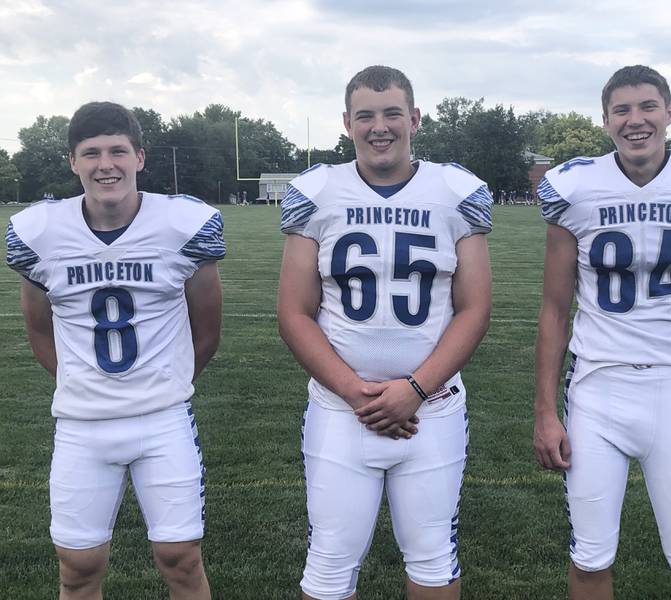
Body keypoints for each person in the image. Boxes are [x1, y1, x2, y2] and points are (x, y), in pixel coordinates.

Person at [533, 65, 671, 600]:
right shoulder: (576, 187)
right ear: (606, 120)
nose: (636, 120)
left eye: (648, 107)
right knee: (589, 559)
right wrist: (545, 411)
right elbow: (553, 310)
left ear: (670, 112)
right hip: (595, 387)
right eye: (622, 110)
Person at [277, 65, 492, 600]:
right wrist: (357, 394)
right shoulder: (319, 191)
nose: (380, 126)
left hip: (433, 408)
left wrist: (413, 390)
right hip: (339, 411)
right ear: (347, 122)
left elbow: (475, 309)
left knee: (433, 559)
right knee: (327, 564)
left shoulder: (455, 192)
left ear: (414, 119)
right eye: (366, 116)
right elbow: (293, 312)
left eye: (392, 113)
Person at [5, 101, 225, 600]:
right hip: (82, 426)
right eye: (92, 153)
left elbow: (207, 331)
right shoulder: (41, 233)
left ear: (140, 157)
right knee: (77, 568)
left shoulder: (179, 225)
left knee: (182, 560)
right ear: (73, 162)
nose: (106, 164)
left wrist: (167, 382)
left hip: (162, 420)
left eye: (118, 151)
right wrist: (83, 386)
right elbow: (39, 330)